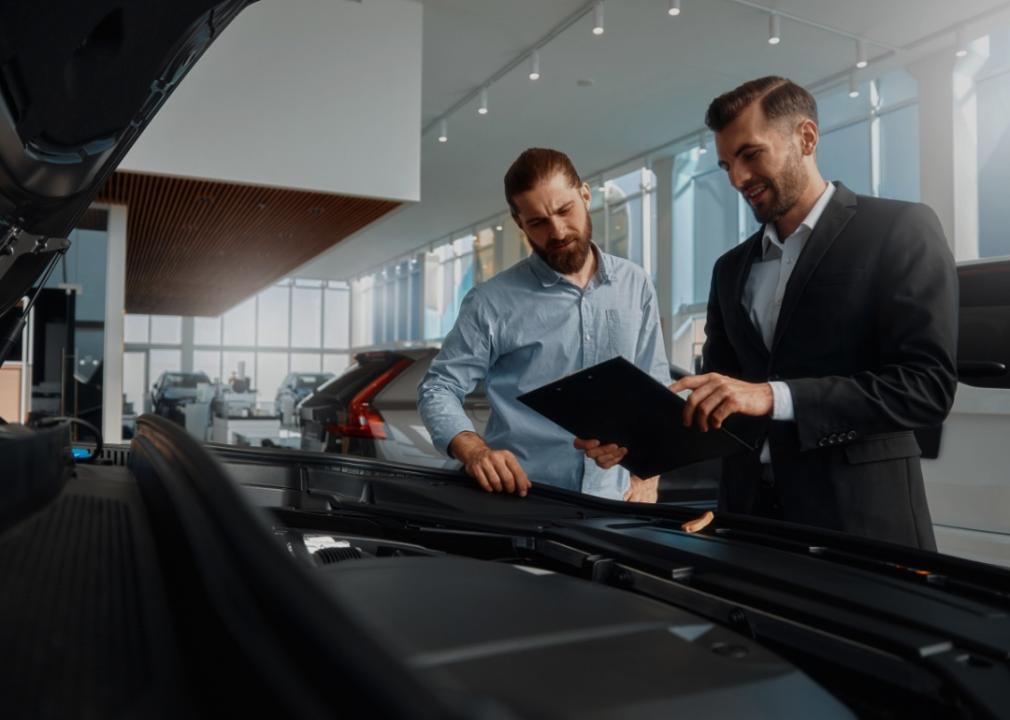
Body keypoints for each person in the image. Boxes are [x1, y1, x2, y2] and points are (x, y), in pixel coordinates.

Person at [581, 77, 957, 549]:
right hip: (748, 521)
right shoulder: (730, 269)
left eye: (750, 154)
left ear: (806, 138)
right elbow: (720, 399)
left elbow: (926, 389)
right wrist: (639, 442)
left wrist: (772, 396)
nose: (737, 178)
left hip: (861, 523)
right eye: (726, 164)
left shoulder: (900, 229)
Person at [417, 148, 670, 502]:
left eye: (565, 210)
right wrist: (474, 451)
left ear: (584, 194)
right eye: (537, 222)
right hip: (523, 500)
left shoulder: (635, 284)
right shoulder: (490, 301)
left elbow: (655, 387)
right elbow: (439, 388)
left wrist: (649, 470)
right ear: (520, 223)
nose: (558, 231)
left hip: (615, 501)